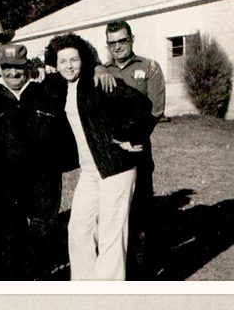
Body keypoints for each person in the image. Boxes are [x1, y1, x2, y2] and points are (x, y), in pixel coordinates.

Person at [44, 33, 154, 281]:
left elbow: (141, 105)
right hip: (90, 172)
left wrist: (124, 136)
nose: (69, 66)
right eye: (63, 61)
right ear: (55, 63)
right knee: (78, 229)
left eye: (74, 60)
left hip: (116, 168)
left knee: (110, 235)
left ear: (83, 60)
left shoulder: (96, 81)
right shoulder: (61, 86)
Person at [0, 44, 75, 280]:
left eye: (18, 68)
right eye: (7, 67)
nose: (13, 73)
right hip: (4, 187)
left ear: (28, 68)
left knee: (40, 241)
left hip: (42, 185)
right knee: (8, 244)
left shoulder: (46, 92)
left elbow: (64, 135)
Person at [103, 20, 165, 280]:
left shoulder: (148, 67)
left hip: (138, 149)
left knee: (140, 214)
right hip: (108, 153)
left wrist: (132, 140)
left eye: (122, 41)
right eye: (112, 43)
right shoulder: (100, 71)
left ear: (132, 39)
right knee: (112, 215)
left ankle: (140, 274)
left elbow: (155, 110)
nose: (118, 47)